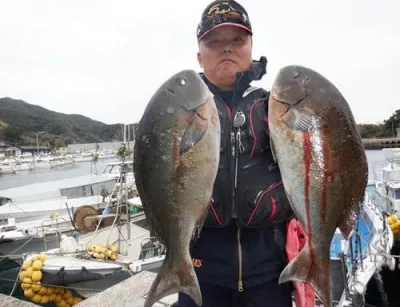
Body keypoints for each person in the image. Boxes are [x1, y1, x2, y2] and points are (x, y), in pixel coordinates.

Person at [177, 1, 295, 306]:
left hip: (271, 272)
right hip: (199, 271)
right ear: (199, 55)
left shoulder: (278, 107)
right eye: (214, 42)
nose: (226, 49)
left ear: (251, 47)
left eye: (237, 40)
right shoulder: (180, 113)